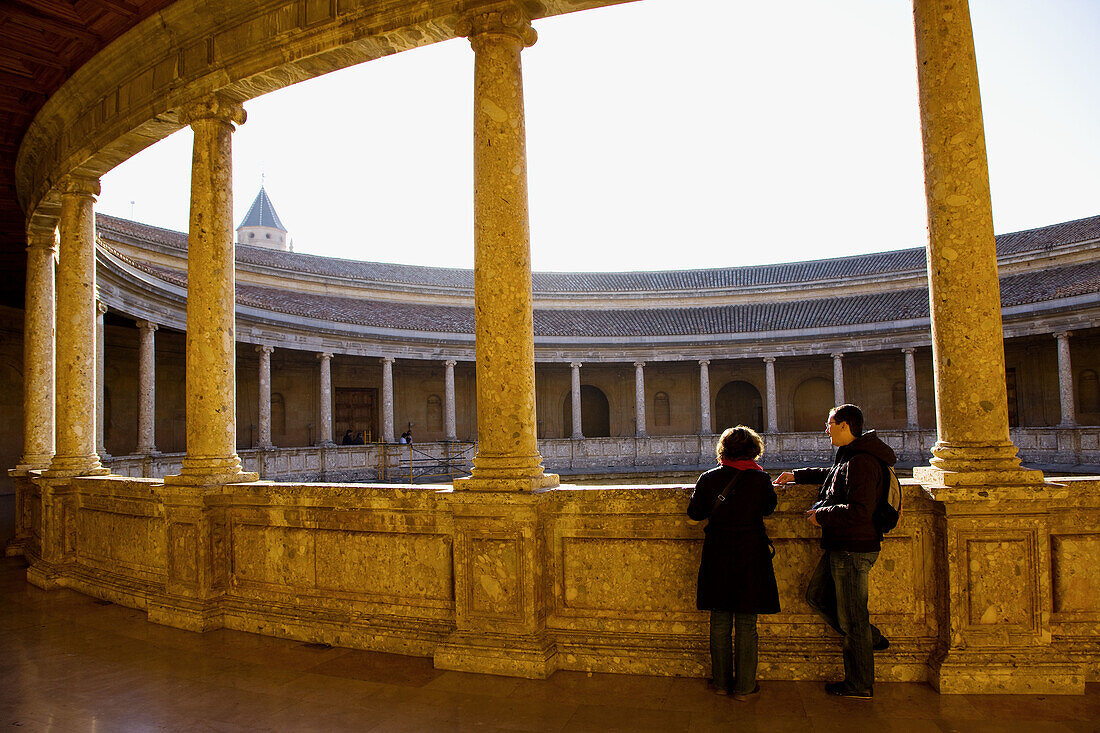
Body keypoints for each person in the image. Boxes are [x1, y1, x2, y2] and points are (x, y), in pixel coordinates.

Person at [774, 403, 896, 699]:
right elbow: (834, 474)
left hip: (854, 548)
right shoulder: (852, 456)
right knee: (817, 596)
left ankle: (858, 683)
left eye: (829, 424)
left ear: (844, 425)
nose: (826, 430)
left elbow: (860, 511)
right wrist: (797, 476)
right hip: (842, 545)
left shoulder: (863, 461)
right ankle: (870, 638)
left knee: (853, 617)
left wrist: (823, 515)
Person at [687, 425, 779, 700]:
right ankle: (744, 687)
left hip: (718, 553)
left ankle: (720, 682)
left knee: (719, 619)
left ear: (723, 450)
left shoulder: (708, 478)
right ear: (753, 450)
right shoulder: (761, 480)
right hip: (751, 554)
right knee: (747, 623)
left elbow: (695, 513)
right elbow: (769, 509)